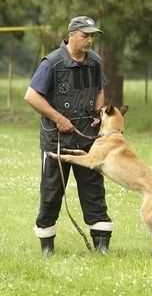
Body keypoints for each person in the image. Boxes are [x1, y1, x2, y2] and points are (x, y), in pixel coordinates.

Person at [24, 16, 114, 256]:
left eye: (92, 36)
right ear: (72, 34)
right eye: (85, 35)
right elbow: (32, 96)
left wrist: (97, 114)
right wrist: (58, 118)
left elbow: (100, 90)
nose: (90, 40)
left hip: (87, 139)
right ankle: (47, 246)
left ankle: (102, 245)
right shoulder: (51, 63)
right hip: (57, 140)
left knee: (94, 191)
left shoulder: (95, 61)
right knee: (52, 193)